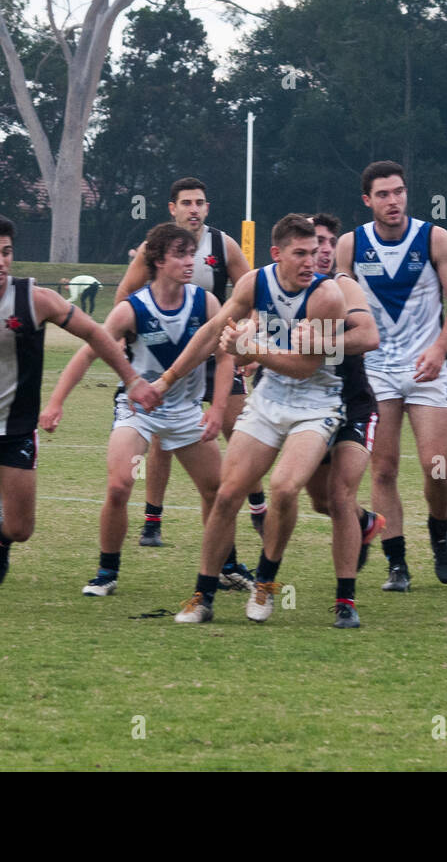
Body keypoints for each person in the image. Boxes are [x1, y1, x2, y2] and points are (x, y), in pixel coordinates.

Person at [0, 212, 159, 614]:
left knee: (20, 528)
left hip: (15, 430)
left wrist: (133, 379)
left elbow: (93, 332)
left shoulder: (35, 299)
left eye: (6, 252)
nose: (0, 261)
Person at [49, 177, 261, 589]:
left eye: (192, 254)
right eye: (182, 255)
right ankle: (107, 572)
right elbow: (88, 351)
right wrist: (56, 402)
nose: (191, 262)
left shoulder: (207, 303)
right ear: (159, 261)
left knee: (218, 492)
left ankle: (226, 567)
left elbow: (224, 356)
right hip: (138, 411)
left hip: (184, 412)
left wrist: (216, 409)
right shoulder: (132, 310)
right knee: (119, 484)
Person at [146, 214, 346, 624]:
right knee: (225, 494)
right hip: (269, 399)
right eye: (301, 254)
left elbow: (307, 367)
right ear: (277, 254)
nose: (312, 261)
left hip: (317, 403)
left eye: (315, 253)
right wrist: (167, 378)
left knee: (285, 489)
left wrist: (252, 349)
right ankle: (202, 596)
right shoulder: (256, 282)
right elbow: (211, 333)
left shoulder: (327, 295)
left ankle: (265, 583)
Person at [335, 160, 447, 590]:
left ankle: (440, 531)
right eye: (383, 194)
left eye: (398, 192)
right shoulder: (350, 245)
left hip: (426, 369)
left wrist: (439, 349)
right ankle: (397, 563)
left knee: (436, 467)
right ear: (367, 200)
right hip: (375, 372)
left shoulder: (433, 238)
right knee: (384, 470)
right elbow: (337, 304)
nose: (393, 201)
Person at [302, 212, 384, 627]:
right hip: (308, 411)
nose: (323, 249)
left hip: (353, 407)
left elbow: (369, 337)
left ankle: (346, 602)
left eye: (329, 241)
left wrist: (315, 340)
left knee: (339, 497)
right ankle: (366, 522)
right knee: (320, 501)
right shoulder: (284, 287)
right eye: (315, 241)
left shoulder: (344, 285)